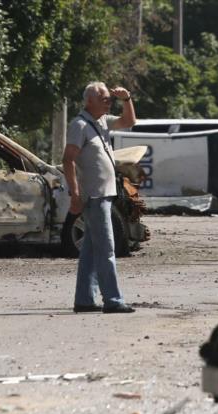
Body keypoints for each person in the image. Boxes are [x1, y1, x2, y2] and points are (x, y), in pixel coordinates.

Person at [62, 82, 137, 314]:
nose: (108, 102)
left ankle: (84, 300)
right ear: (89, 101)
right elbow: (68, 159)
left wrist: (127, 100)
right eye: (104, 99)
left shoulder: (102, 121)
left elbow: (129, 122)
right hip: (93, 196)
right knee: (106, 249)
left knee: (91, 250)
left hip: (104, 194)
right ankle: (113, 300)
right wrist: (75, 193)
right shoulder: (80, 125)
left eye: (109, 99)